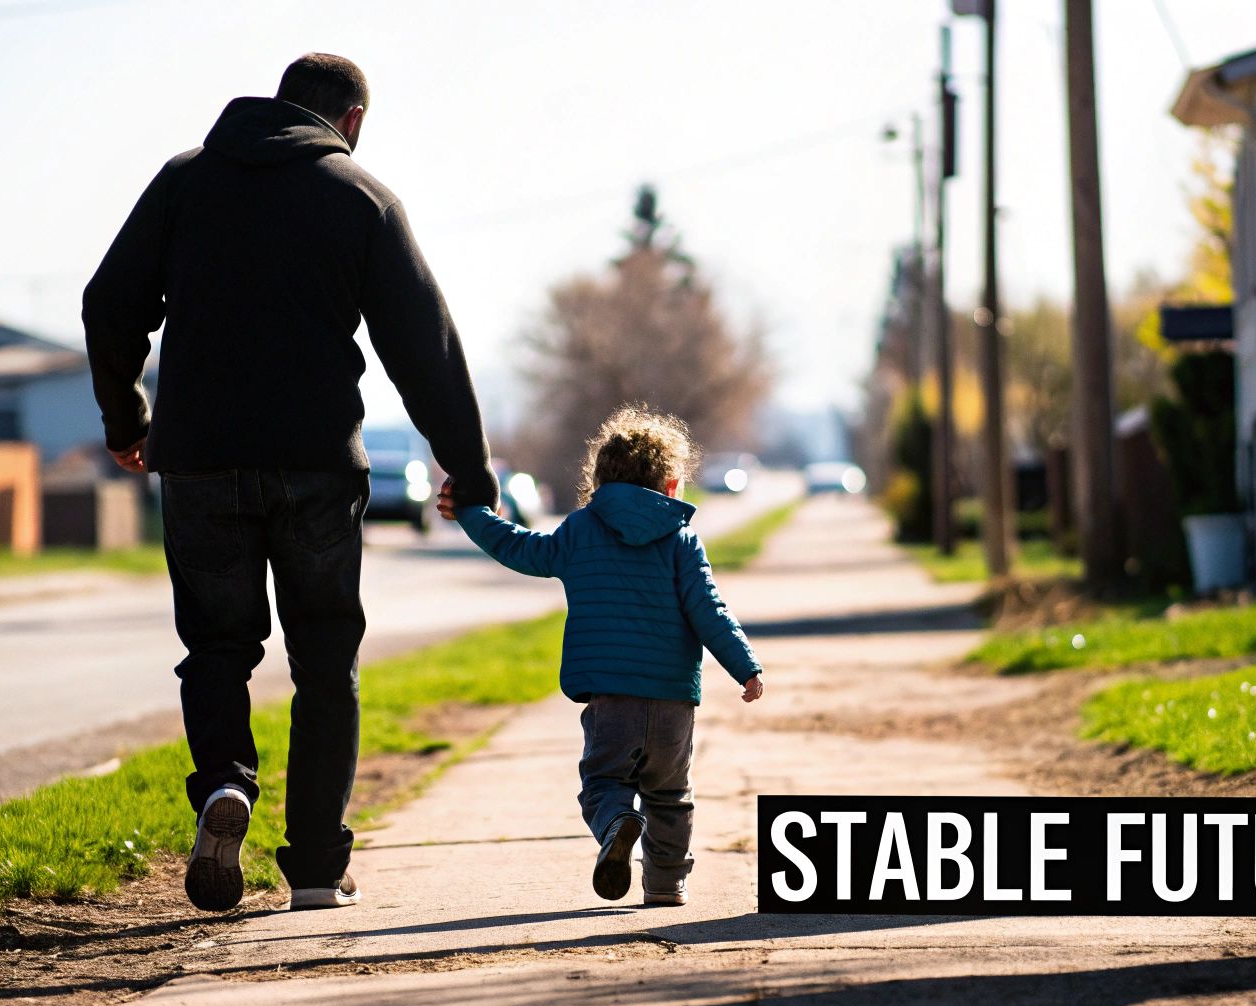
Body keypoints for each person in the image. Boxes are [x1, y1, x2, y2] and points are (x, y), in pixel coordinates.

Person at [83, 53, 498, 913]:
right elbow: (424, 348)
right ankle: (314, 866)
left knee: (217, 649)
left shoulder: (184, 183)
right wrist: (467, 464)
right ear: (349, 120)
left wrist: (127, 421)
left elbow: (108, 302)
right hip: (315, 464)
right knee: (324, 662)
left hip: (198, 459)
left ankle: (225, 788)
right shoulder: (360, 197)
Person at [436, 405, 764, 906]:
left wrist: (472, 512)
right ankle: (665, 884)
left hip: (612, 698)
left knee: (604, 781)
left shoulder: (581, 529)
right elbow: (708, 609)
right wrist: (746, 667)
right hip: (674, 698)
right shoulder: (681, 539)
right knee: (671, 795)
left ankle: (616, 822)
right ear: (670, 484)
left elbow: (520, 548)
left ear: (600, 479)